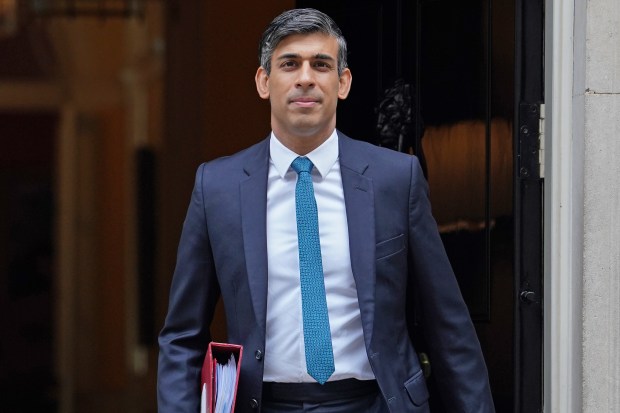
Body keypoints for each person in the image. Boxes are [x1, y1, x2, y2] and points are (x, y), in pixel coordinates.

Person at [158, 8, 495, 413]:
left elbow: (449, 325)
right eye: (289, 64)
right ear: (264, 82)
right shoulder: (217, 187)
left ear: (343, 82)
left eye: (321, 64)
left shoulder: (394, 180)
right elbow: (182, 337)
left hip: (374, 403)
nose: (305, 78)